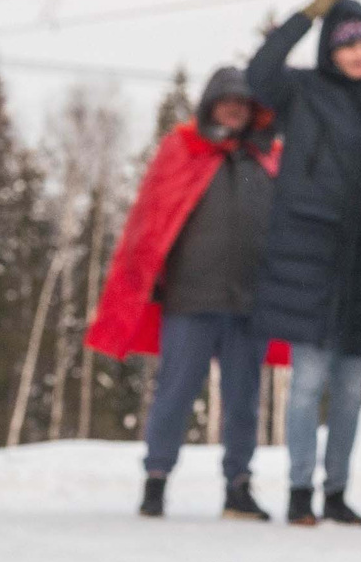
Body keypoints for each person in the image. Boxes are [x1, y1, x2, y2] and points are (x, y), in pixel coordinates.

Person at [247, 0, 361, 527]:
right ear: (329, 50)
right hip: (311, 256)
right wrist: (304, 16)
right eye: (345, 44)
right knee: (307, 384)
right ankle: (300, 490)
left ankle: (337, 491)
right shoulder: (303, 91)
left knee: (348, 391)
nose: (357, 54)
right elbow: (258, 75)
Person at [86, 66, 283, 521]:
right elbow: (151, 218)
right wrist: (147, 279)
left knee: (243, 402)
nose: (234, 110)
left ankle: (238, 486)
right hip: (191, 299)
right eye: (226, 102)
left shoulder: (267, 159)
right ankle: (156, 479)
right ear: (211, 105)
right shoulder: (183, 150)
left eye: (242, 104)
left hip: (250, 302)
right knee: (174, 393)